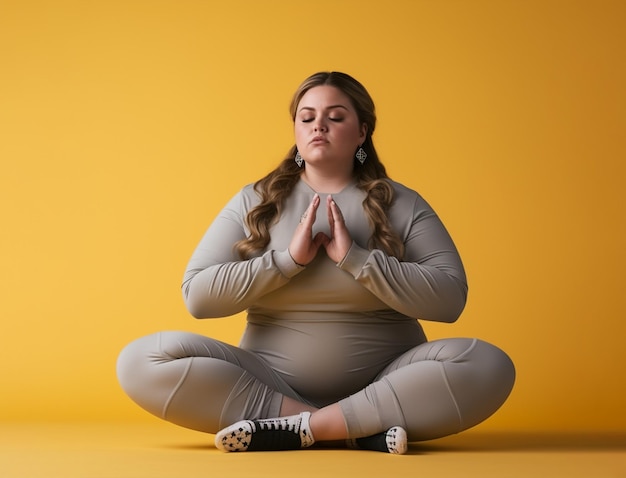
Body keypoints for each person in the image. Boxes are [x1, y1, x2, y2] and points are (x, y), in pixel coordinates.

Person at [116, 71, 515, 455]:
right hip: (269, 385)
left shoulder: (403, 202)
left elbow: (450, 300)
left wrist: (358, 261)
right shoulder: (254, 201)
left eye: (335, 117)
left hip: (390, 381)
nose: (318, 126)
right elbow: (198, 298)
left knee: (488, 364)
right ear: (295, 130)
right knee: (140, 360)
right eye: (306, 118)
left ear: (362, 132)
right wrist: (286, 262)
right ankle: (354, 430)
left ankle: (301, 430)